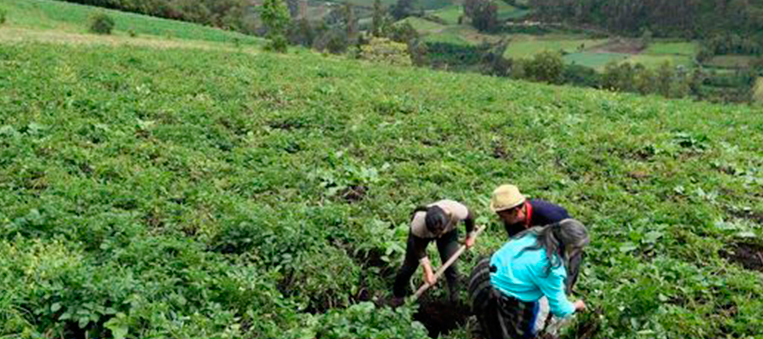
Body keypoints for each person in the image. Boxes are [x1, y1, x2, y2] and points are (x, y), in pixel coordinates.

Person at [468, 219, 589, 339]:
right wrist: (576, 306)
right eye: (578, 249)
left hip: (481, 276)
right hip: (496, 296)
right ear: (570, 246)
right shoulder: (551, 267)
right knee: (518, 330)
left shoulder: (533, 234)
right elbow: (560, 309)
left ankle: (483, 324)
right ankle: (488, 325)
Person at [391, 200, 477, 306]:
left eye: (440, 232)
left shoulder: (456, 210)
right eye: (435, 233)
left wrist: (470, 236)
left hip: (449, 233)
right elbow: (419, 248)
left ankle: (455, 300)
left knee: (451, 266)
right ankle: (398, 296)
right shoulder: (418, 224)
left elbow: (470, 216)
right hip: (421, 237)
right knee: (409, 267)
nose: (438, 236)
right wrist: (428, 270)